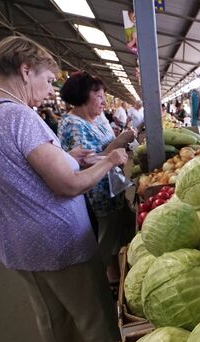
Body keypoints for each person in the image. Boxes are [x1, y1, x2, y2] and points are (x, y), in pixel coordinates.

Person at [0, 36, 122, 342]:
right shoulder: (18, 116)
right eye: (48, 80)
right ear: (25, 70)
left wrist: (66, 156)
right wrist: (110, 161)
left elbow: (16, 166)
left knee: (54, 321)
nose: (52, 90)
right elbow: (68, 185)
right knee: (95, 318)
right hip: (57, 240)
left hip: (17, 240)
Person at [58, 71, 137, 286]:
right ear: (82, 95)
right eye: (98, 95)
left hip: (114, 187)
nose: (104, 101)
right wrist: (121, 140)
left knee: (120, 230)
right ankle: (107, 280)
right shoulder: (73, 124)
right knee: (106, 237)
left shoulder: (98, 118)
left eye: (104, 95)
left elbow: (106, 148)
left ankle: (117, 271)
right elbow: (88, 161)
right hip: (97, 194)